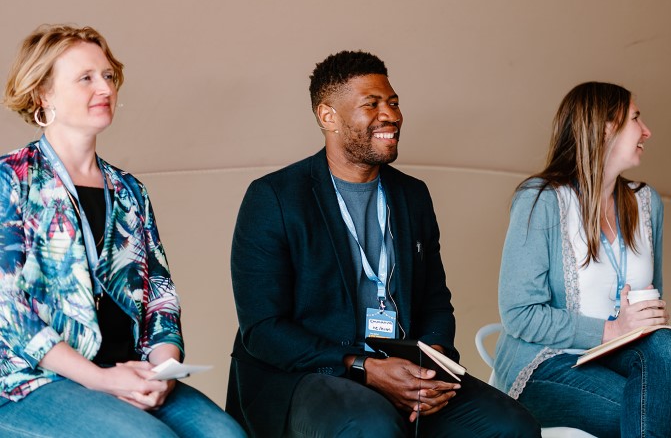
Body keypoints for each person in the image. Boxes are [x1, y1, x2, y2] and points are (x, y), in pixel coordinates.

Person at [226, 50, 540, 437]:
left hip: (404, 363)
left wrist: (433, 361)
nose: (391, 115)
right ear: (329, 117)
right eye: (371, 104)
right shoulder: (273, 197)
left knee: (512, 426)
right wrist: (363, 367)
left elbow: (435, 301)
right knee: (372, 426)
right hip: (310, 371)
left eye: (392, 102)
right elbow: (263, 328)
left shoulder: (413, 195)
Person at [0, 24, 246, 437]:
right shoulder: (12, 178)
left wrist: (163, 370)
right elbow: (6, 309)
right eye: (86, 78)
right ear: (44, 94)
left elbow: (161, 295)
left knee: (227, 436)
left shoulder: (129, 190)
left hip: (129, 369)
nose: (105, 88)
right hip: (32, 381)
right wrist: (99, 380)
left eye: (108, 76)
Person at [494, 82, 669, 437]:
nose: (647, 131)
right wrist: (611, 329)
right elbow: (518, 313)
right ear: (605, 129)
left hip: (618, 355)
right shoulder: (541, 200)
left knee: (663, 346)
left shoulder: (647, 202)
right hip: (547, 362)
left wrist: (650, 317)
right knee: (652, 412)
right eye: (636, 118)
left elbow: (655, 299)